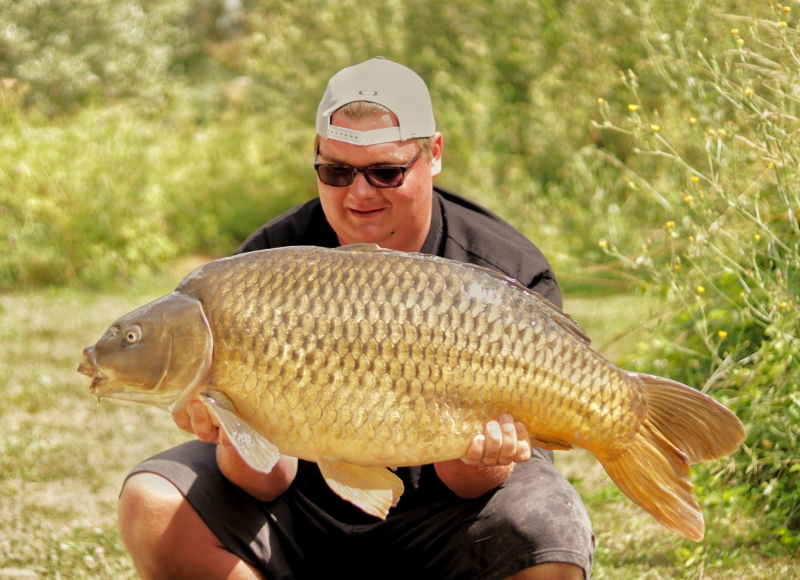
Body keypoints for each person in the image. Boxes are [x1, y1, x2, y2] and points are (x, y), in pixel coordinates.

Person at [118, 57, 595, 580]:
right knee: (153, 503)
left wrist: (485, 457)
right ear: (316, 159)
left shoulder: (507, 271)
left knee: (547, 531)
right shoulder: (261, 269)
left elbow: (473, 486)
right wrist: (236, 430)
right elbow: (264, 481)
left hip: (450, 522)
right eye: (336, 171)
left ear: (432, 155)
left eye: (386, 172)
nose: (359, 193)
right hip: (300, 518)